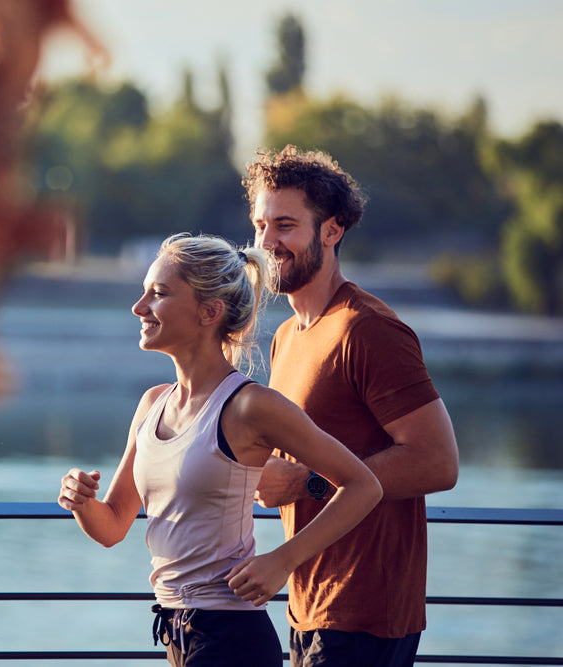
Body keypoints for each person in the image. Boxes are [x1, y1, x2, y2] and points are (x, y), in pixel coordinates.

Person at [58, 233, 382, 667]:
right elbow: (113, 525)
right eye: (144, 292)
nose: (139, 307)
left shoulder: (251, 406)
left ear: (209, 312)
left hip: (231, 636)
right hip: (175, 630)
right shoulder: (152, 404)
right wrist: (81, 501)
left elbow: (363, 485)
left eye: (158, 293)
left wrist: (282, 561)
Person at [244, 145, 460, 667]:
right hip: (307, 603)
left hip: (366, 616)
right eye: (260, 225)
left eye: (286, 226)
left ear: (331, 230)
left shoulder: (368, 329)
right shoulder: (286, 338)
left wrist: (306, 483)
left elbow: (438, 462)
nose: (267, 242)